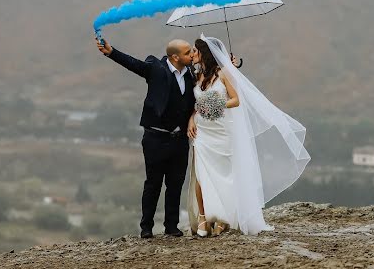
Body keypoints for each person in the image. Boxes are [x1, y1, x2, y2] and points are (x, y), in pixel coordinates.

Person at [187, 35, 310, 236]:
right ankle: (203, 218)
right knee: (202, 176)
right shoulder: (196, 76)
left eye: (195, 50)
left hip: (221, 131)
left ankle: (222, 218)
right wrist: (192, 117)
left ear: (205, 53)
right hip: (202, 133)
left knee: (224, 175)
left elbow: (235, 100)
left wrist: (216, 105)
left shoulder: (224, 73)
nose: (192, 54)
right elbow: (195, 105)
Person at [95, 36, 196, 238]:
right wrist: (112, 52)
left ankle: (171, 226)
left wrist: (234, 63)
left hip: (180, 140)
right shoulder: (156, 68)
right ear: (175, 57)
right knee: (153, 183)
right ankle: (146, 227)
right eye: (188, 52)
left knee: (175, 184)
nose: (192, 55)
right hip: (155, 138)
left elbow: (213, 74)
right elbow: (135, 65)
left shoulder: (192, 72)